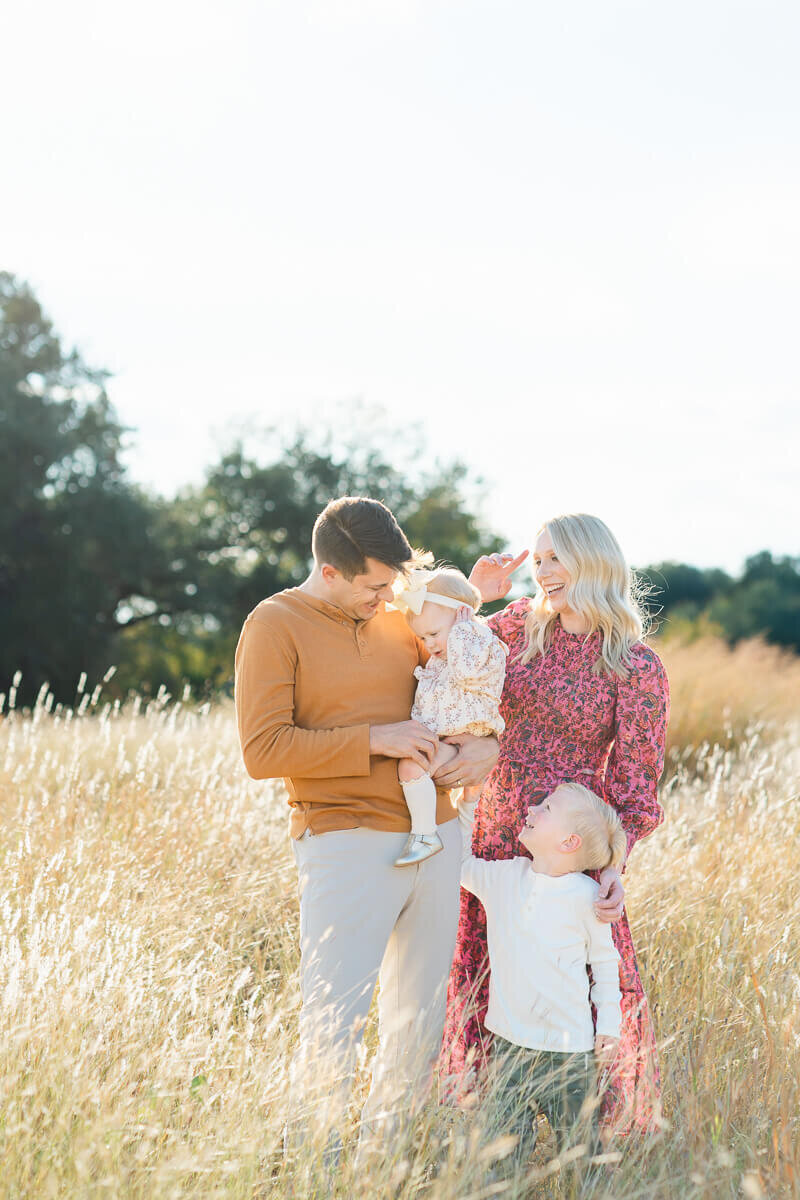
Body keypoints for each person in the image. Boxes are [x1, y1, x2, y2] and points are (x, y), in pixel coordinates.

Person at [233, 496, 499, 1158]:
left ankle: (389, 1163)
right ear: (329, 570)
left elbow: (456, 692)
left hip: (437, 839)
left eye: (393, 585)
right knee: (334, 1018)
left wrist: (477, 754)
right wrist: (378, 739)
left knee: (418, 1022)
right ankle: (314, 1167)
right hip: (344, 842)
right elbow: (263, 750)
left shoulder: (396, 617)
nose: (386, 598)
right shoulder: (274, 624)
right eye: (373, 585)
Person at [443, 513, 670, 1137]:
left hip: (568, 848)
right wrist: (473, 593)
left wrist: (612, 869)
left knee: (579, 972)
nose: (542, 572)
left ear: (594, 563)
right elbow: (443, 654)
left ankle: (582, 1135)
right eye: (537, 560)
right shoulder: (516, 628)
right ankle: (493, 1132)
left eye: (556, 558)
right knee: (489, 971)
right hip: (496, 834)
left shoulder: (637, 666)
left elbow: (634, 786)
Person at [457, 781, 625, 1177]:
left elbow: (604, 962)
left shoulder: (587, 898)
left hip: (569, 1049)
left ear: (568, 842)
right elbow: (461, 866)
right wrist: (467, 803)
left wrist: (610, 1024)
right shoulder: (504, 878)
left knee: (581, 1148)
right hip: (509, 1044)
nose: (531, 808)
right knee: (499, 1149)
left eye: (546, 807)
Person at [390, 563, 507, 867]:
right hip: (454, 738)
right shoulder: (447, 649)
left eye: (433, 634)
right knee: (463, 799)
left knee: (411, 767)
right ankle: (457, 831)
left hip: (470, 736)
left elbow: (468, 672)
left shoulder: (476, 642)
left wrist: (463, 632)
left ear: (462, 617)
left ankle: (426, 834)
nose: (429, 645)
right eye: (422, 638)